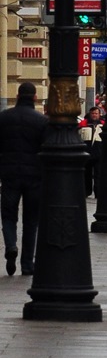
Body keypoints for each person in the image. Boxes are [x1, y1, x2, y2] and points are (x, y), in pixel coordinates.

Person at [0, 81, 48, 275]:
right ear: (35, 97)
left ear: (18, 97)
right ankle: (27, 264)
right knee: (31, 221)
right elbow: (46, 150)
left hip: (9, 174)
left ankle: (11, 245)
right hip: (34, 177)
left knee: (9, 216)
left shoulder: (3, 118)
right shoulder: (41, 121)